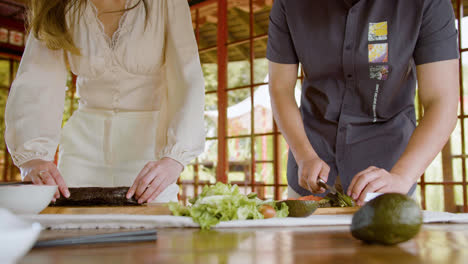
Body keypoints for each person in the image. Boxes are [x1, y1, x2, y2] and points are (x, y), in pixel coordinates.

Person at [5, 0, 205, 204]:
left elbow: (188, 78)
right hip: (81, 152)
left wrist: (174, 159)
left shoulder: (166, 3)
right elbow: (37, 81)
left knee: (153, 231)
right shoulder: (58, 6)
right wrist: (33, 158)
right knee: (72, 228)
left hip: (149, 155)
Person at [267, 0, 459, 205]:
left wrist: (402, 176)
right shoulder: (289, 4)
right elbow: (280, 89)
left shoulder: (428, 3)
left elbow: (441, 101)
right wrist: (304, 154)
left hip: (388, 176)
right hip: (310, 170)